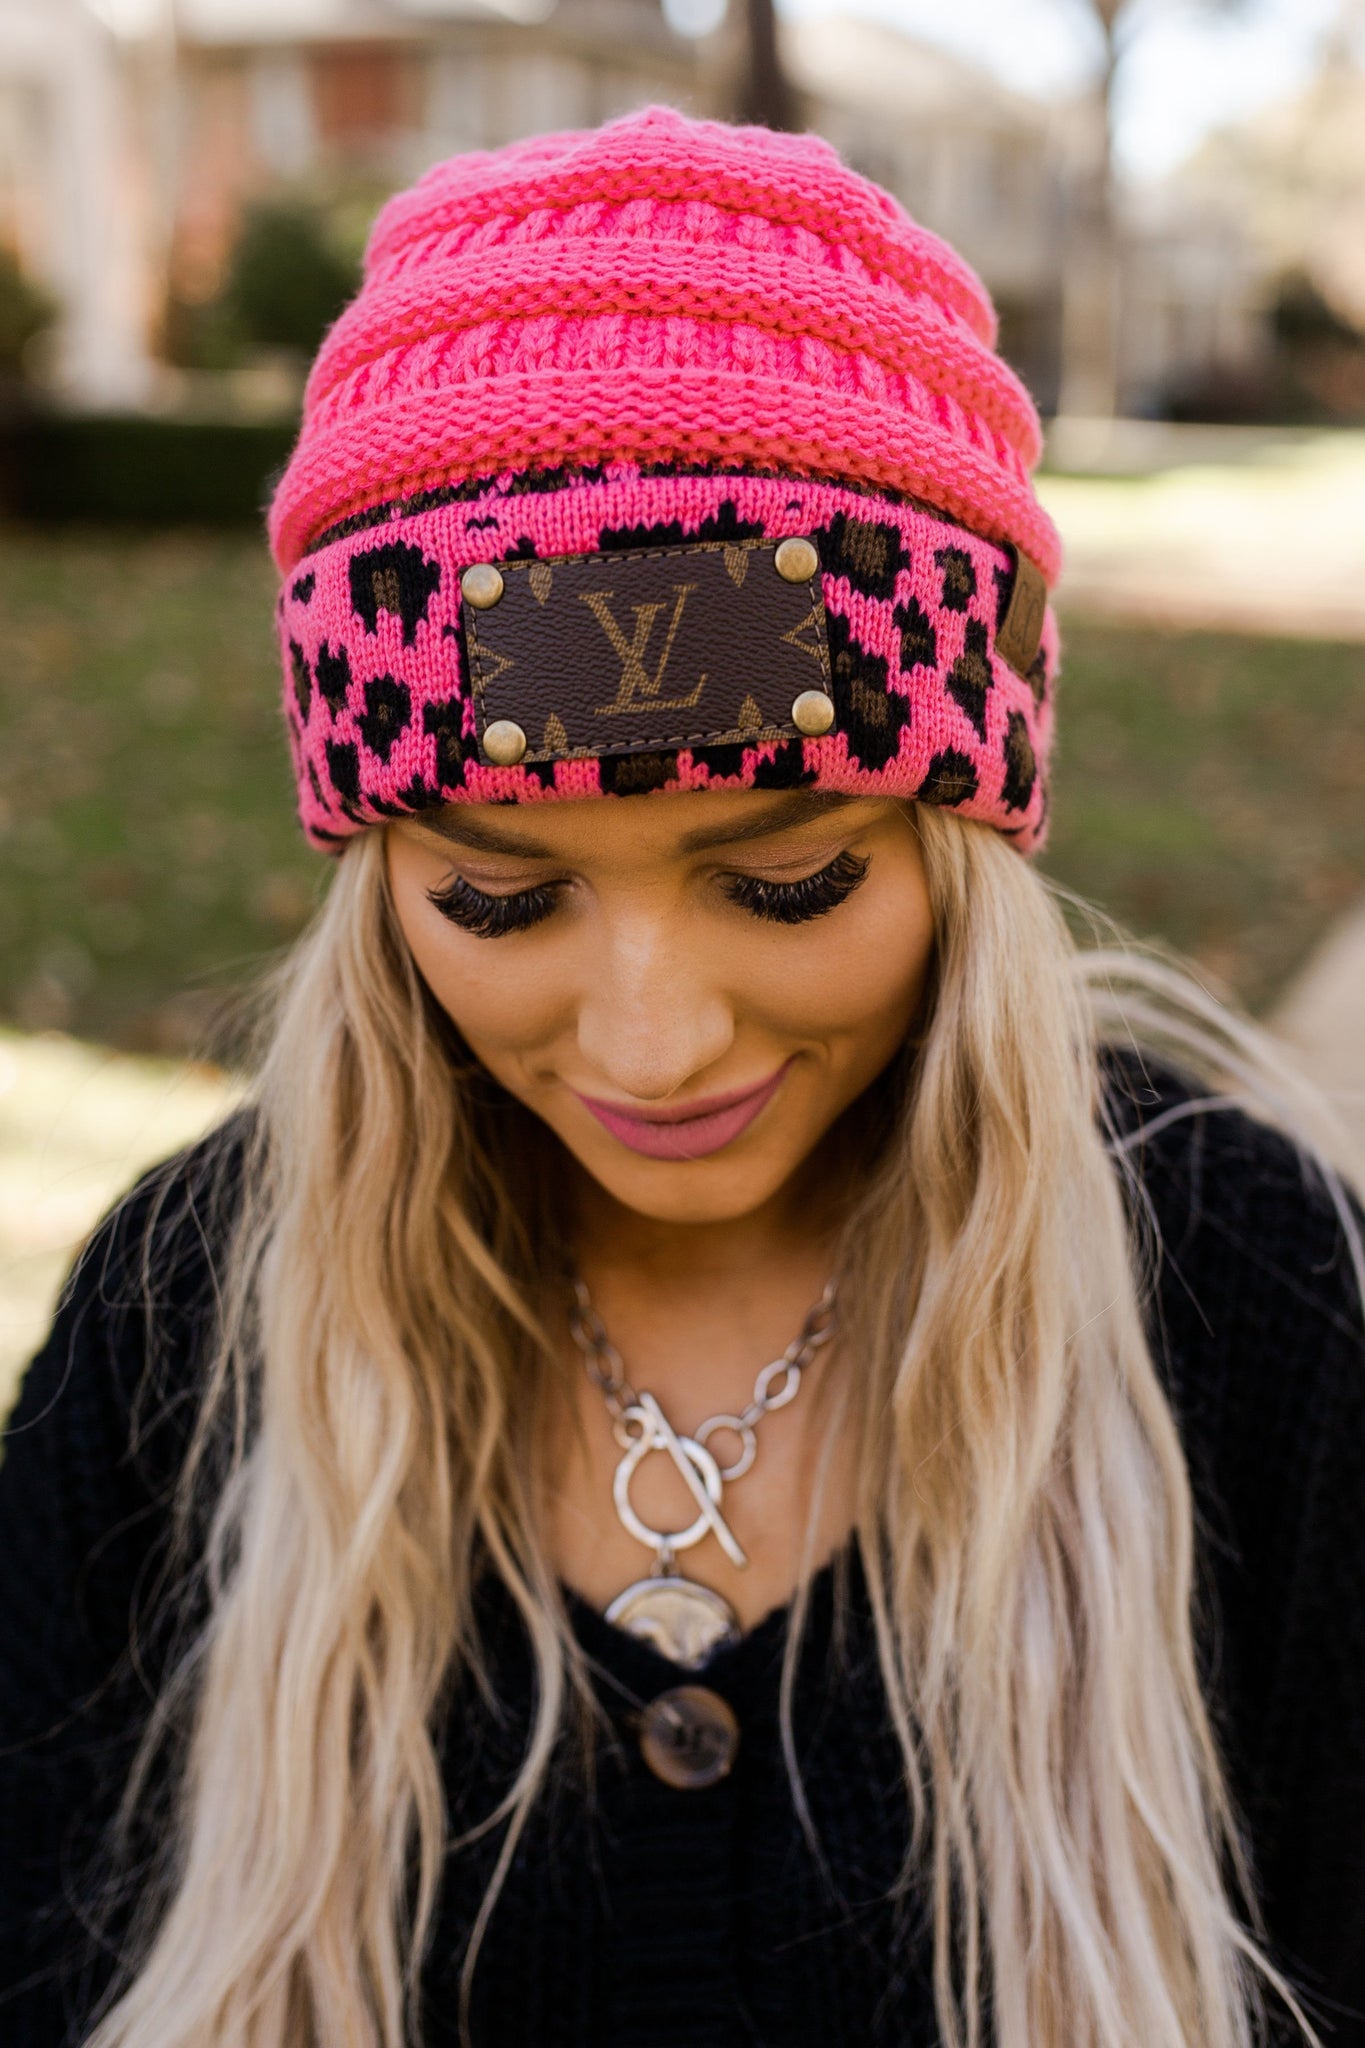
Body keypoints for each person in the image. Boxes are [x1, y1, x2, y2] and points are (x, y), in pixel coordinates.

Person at [1, 105, 1362, 2048]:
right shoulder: (180, 1321)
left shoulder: (1246, 1295)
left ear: (960, 836)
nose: (653, 1043)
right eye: (497, 897)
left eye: (787, 880)